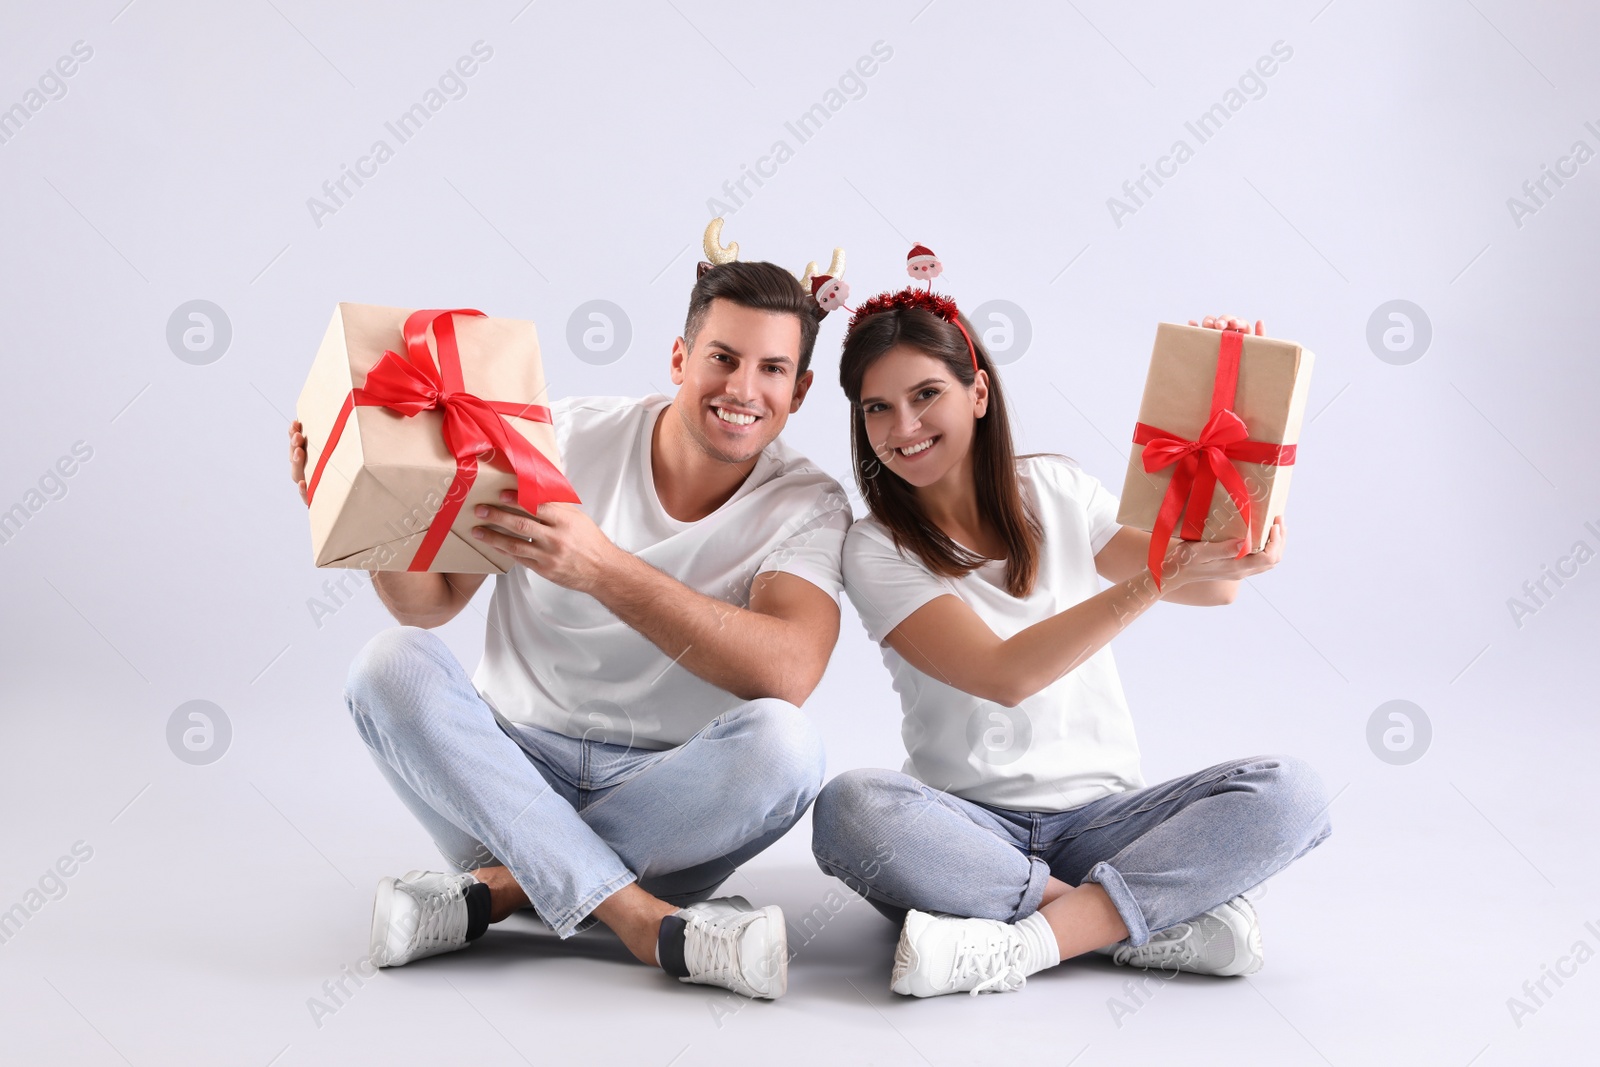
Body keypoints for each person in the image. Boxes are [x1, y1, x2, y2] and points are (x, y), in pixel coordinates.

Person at [287, 221, 852, 1000]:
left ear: (800, 391)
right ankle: (642, 920)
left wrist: (603, 568)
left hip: (668, 801)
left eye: (772, 368)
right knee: (386, 662)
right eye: (722, 357)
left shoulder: (808, 503)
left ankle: (500, 889)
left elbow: (786, 670)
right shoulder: (564, 435)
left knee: (787, 746)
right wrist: (351, 504)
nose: (742, 389)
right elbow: (429, 605)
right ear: (681, 358)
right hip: (506, 774)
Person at [809, 250, 1332, 999]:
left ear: (978, 391)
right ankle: (1126, 921)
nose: (905, 426)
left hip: (1105, 820)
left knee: (1295, 791)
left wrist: (1235, 399)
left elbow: (1211, 587)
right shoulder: (874, 547)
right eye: (877, 408)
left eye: (927, 394)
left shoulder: (1052, 488)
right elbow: (1004, 674)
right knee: (849, 809)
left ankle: (1018, 943)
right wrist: (1157, 577)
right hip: (967, 827)